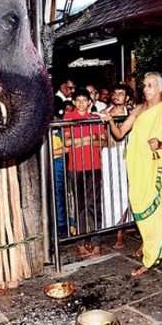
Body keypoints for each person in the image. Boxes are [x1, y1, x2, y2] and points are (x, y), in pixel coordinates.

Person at [100, 72, 162, 282]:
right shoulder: (139, 110)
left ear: (159, 88)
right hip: (141, 170)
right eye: (144, 85)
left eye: (149, 85)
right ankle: (149, 259)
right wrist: (110, 120)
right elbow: (120, 133)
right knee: (146, 216)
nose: (145, 89)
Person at [63, 88, 107, 258]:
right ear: (74, 102)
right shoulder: (68, 117)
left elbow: (104, 141)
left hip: (94, 166)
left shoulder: (95, 118)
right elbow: (67, 143)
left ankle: (96, 242)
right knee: (79, 206)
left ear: (90, 102)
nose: (81, 103)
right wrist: (90, 139)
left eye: (84, 100)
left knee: (94, 205)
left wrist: (81, 141)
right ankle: (80, 243)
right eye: (78, 100)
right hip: (75, 168)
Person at [100, 84, 132, 248]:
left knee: (123, 193)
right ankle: (112, 226)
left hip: (123, 155)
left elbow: (121, 135)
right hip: (107, 154)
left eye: (121, 93)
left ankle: (120, 232)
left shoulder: (130, 113)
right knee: (109, 191)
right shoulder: (105, 111)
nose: (117, 96)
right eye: (115, 93)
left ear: (127, 98)